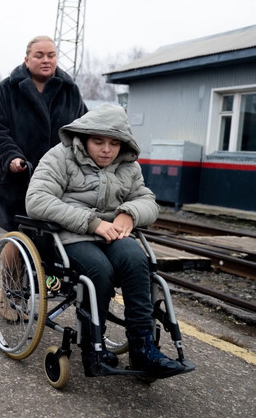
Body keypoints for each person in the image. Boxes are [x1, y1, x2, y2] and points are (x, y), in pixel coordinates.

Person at [25, 104, 186, 378]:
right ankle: (92, 349)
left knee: (137, 260)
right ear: (84, 137)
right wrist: (92, 222)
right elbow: (37, 200)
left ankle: (143, 349)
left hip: (112, 233)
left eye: (114, 143)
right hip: (68, 234)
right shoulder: (60, 156)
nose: (107, 150)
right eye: (98, 142)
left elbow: (148, 201)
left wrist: (129, 213)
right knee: (98, 269)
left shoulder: (128, 166)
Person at [0, 35, 87, 232]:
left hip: (60, 180)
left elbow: (84, 130)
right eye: (39, 56)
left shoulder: (70, 91)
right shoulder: (7, 89)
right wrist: (11, 157)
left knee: (55, 237)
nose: (46, 60)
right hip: (18, 180)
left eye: (51, 55)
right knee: (20, 237)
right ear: (27, 60)